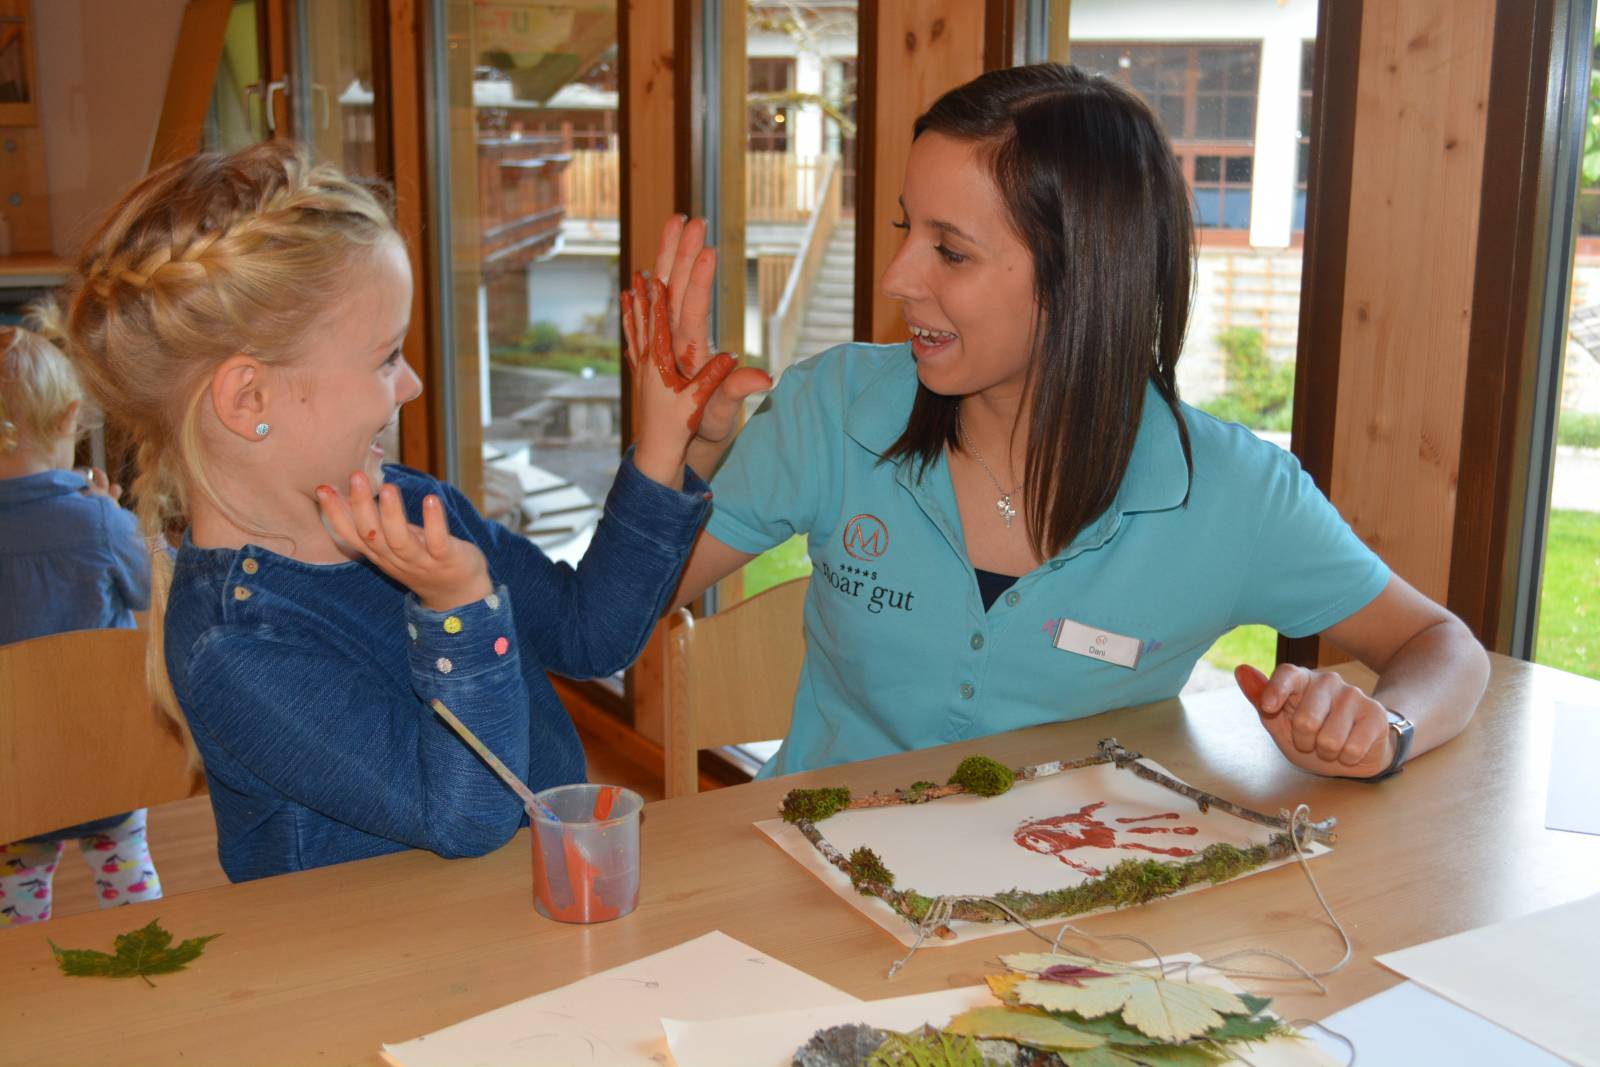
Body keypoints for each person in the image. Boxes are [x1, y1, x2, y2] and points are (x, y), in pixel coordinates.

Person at [660, 63, 1490, 779]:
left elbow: (1442, 645)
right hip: (813, 879)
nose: (896, 276)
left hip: (1060, 916)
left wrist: (1386, 729)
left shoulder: (1230, 492)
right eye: (907, 229)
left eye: (950, 251)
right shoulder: (832, 407)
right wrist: (686, 447)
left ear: (1080, 278)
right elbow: (624, 609)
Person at [42, 142, 736, 882]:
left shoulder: (411, 503)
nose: (410, 384)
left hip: (520, 917)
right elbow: (466, 815)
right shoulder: (235, 643)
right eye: (384, 357)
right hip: (371, 978)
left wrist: (674, 446)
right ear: (250, 400)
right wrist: (458, 610)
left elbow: (588, 630)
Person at [0, 324, 160, 923]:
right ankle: (146, 938)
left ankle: (19, 971)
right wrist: (112, 517)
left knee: (17, 878)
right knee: (125, 859)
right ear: (71, 417)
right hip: (102, 758)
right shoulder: (97, 522)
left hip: (12, 765)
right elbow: (149, 587)